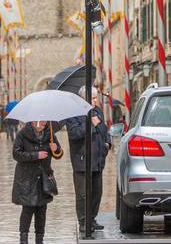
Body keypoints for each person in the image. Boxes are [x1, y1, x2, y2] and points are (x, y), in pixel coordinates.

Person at [65, 86, 111, 232]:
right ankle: (84, 222)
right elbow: (74, 134)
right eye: (92, 98)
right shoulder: (73, 113)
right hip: (82, 160)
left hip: (98, 159)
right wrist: (90, 123)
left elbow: (104, 130)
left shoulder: (98, 111)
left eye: (96, 97)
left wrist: (107, 144)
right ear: (83, 98)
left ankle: (92, 218)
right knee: (83, 194)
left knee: (97, 192)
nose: (95, 100)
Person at [12, 121, 62, 244]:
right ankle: (23, 240)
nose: (44, 123)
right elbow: (16, 154)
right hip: (27, 179)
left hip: (44, 178)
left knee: (42, 210)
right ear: (34, 121)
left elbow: (59, 154)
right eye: (41, 120)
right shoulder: (22, 134)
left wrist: (56, 149)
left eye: (45, 121)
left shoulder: (50, 134)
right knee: (27, 209)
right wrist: (36, 155)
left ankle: (40, 240)